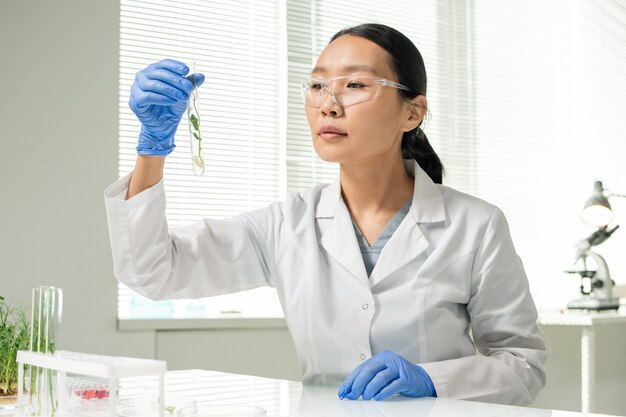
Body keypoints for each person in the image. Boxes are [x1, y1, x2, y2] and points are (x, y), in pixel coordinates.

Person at [104, 23, 549, 405]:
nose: (328, 104)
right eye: (318, 85)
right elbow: (152, 273)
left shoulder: (476, 225)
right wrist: (152, 148)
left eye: (355, 85)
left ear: (412, 112)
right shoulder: (286, 225)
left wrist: (432, 380)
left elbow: (523, 364)